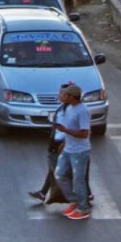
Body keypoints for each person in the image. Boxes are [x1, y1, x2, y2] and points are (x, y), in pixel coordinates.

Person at [54, 84, 92, 220]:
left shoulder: (82, 111)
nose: (64, 96)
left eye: (66, 95)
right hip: (68, 149)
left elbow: (84, 133)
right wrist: (64, 143)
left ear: (72, 97)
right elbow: (68, 127)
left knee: (78, 181)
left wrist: (66, 131)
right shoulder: (70, 108)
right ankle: (75, 200)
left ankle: (83, 208)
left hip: (79, 152)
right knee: (59, 175)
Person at [29, 83, 69, 203]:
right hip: (55, 142)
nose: (59, 95)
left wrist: (64, 144)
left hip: (61, 144)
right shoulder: (61, 108)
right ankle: (43, 192)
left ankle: (85, 194)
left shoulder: (71, 111)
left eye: (62, 93)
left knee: (57, 169)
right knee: (53, 168)